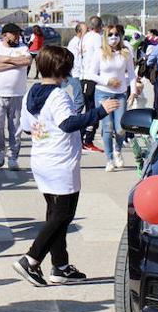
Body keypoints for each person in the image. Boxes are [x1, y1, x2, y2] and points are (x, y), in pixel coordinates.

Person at [13, 45, 120, 286]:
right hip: (60, 162)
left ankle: (60, 266)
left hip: (42, 160)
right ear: (64, 69)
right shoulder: (58, 95)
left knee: (55, 214)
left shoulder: (32, 93)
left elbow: (28, 126)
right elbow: (68, 123)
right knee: (63, 213)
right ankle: (31, 259)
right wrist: (99, 112)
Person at [0, 23, 32, 169]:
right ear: (5, 35)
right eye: (14, 33)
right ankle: (0, 149)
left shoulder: (23, 48)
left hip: (17, 94)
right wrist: (16, 64)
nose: (17, 36)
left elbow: (27, 61)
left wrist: (6, 60)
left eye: (18, 33)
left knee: (15, 128)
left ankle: (13, 156)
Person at [95, 24, 141, 170]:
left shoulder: (125, 52)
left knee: (121, 128)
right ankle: (109, 159)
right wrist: (107, 81)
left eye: (116, 34)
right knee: (107, 127)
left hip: (120, 94)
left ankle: (117, 151)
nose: (113, 37)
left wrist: (133, 91)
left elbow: (132, 73)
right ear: (105, 36)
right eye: (110, 34)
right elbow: (89, 74)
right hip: (103, 93)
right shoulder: (99, 52)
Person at [78, 15, 105, 152]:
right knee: (93, 110)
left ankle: (84, 138)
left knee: (89, 109)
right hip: (92, 77)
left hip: (84, 77)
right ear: (99, 27)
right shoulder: (97, 38)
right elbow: (102, 55)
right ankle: (86, 139)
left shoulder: (85, 37)